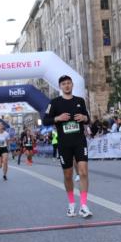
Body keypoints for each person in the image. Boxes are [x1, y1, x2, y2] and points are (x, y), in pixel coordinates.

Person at [43, 75, 92, 218]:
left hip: (79, 141)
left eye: (69, 83)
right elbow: (45, 119)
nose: (67, 86)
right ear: (60, 87)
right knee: (68, 175)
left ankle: (84, 205)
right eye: (64, 84)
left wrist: (84, 118)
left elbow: (87, 118)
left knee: (83, 172)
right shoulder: (55, 103)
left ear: (72, 85)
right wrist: (57, 118)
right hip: (64, 144)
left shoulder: (79, 101)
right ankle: (71, 203)